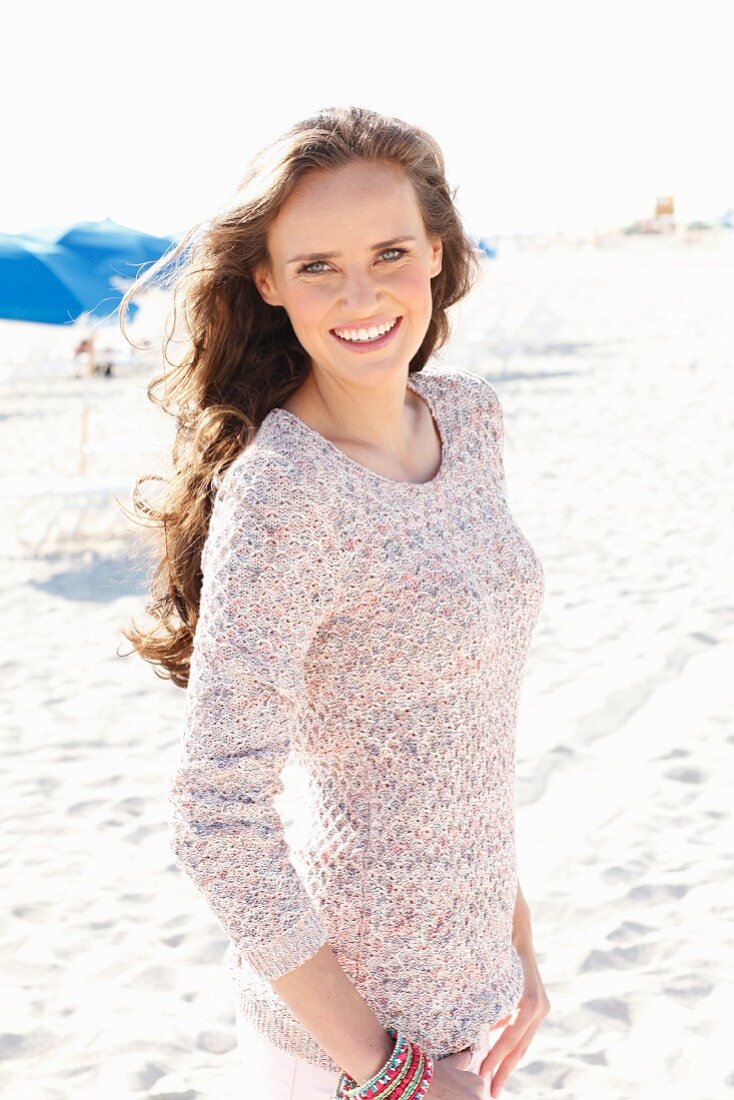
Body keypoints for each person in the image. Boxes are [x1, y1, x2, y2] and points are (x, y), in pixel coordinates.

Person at [119, 105, 551, 1100]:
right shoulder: (283, 497)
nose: (361, 293)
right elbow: (213, 817)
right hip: (345, 1048)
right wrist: (384, 1065)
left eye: (390, 250)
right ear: (266, 281)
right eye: (317, 265)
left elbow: (462, 728)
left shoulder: (469, 421)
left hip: (477, 1004)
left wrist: (516, 945)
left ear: (437, 254)